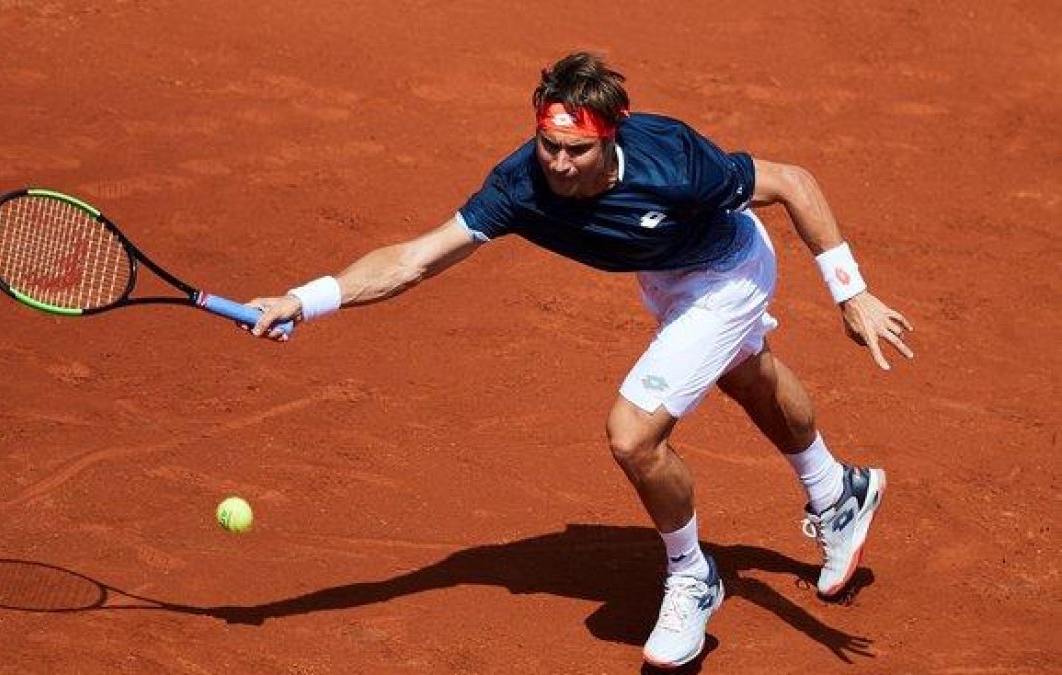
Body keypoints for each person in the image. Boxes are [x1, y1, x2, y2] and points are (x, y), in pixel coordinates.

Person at [245, 52, 913, 669]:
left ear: (612, 136)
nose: (559, 163)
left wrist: (851, 293)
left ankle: (692, 574)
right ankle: (839, 491)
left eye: (577, 149)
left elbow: (793, 182)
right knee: (746, 373)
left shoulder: (675, 162)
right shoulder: (518, 185)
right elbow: (416, 258)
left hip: (727, 268)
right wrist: (307, 299)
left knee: (634, 433)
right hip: (662, 275)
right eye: (549, 145)